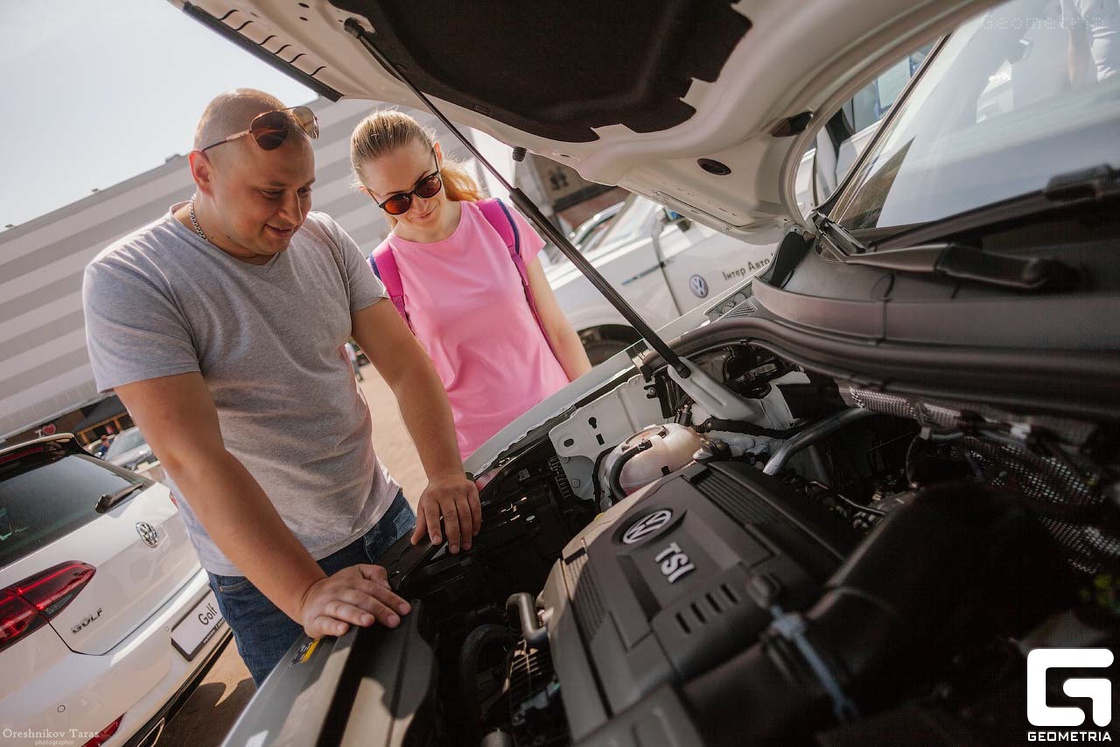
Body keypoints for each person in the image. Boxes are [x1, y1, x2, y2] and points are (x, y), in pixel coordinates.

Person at [82, 90, 480, 685]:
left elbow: (404, 364)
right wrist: (305, 592)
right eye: (271, 193)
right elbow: (193, 458)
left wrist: (444, 473)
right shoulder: (132, 278)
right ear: (202, 172)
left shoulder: (324, 237)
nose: (292, 214)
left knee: (461, 679)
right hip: (273, 584)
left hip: (386, 518)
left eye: (305, 190)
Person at [350, 110, 592, 457]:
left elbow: (558, 330)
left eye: (426, 184)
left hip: (564, 422)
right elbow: (411, 391)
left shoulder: (499, 220)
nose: (418, 206)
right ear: (370, 195)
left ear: (437, 155)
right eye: (397, 200)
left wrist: (593, 409)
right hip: (483, 458)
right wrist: (446, 471)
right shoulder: (383, 272)